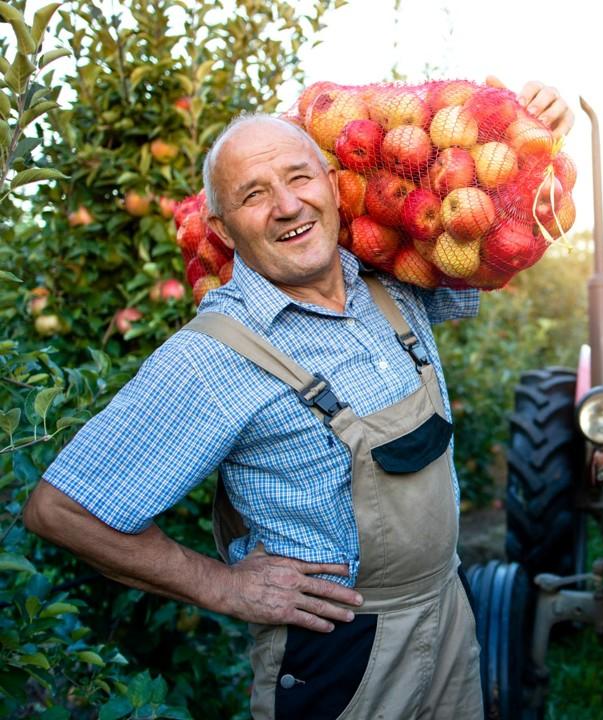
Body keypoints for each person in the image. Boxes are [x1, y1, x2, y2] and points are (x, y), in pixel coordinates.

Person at [24, 78, 573, 719]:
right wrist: (223, 588)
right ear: (222, 228)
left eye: (299, 177)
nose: (287, 206)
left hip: (448, 612)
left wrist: (535, 135)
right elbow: (61, 510)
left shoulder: (394, 285)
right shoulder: (214, 356)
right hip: (342, 657)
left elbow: (497, 236)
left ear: (335, 187)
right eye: (253, 195)